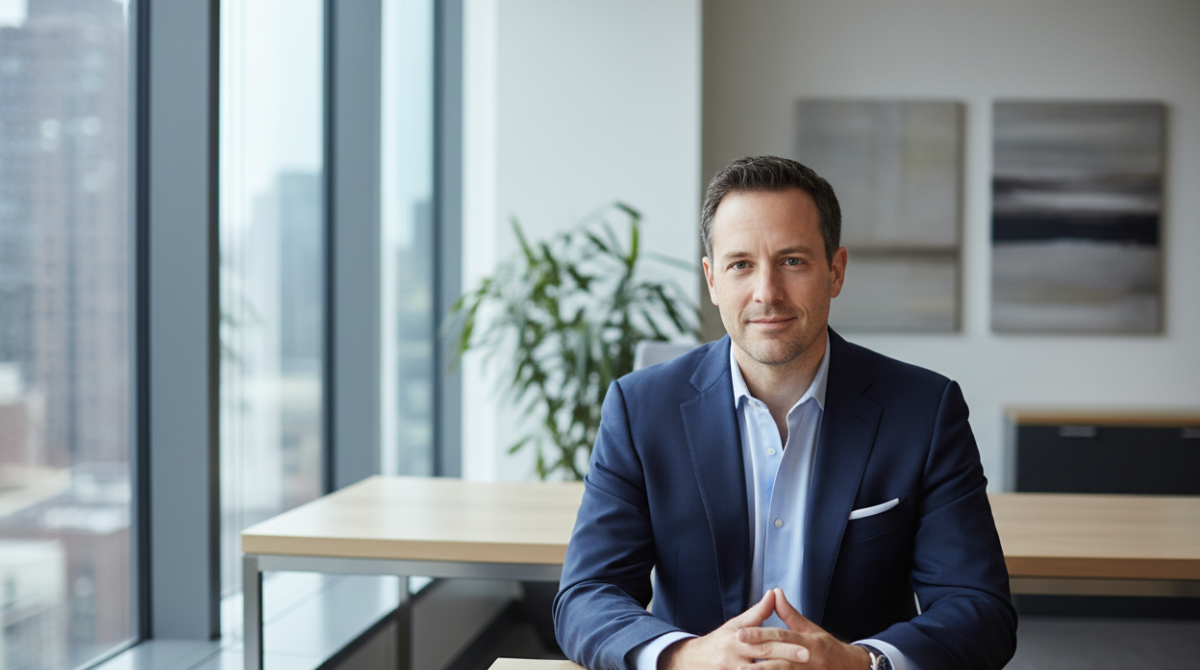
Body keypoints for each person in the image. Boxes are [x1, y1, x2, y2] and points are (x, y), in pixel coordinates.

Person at [552, 156, 1017, 670]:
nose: (766, 292)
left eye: (792, 261)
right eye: (740, 264)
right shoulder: (640, 410)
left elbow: (979, 609)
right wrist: (686, 657)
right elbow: (588, 595)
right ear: (711, 279)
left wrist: (861, 663)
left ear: (835, 271)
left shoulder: (924, 411)